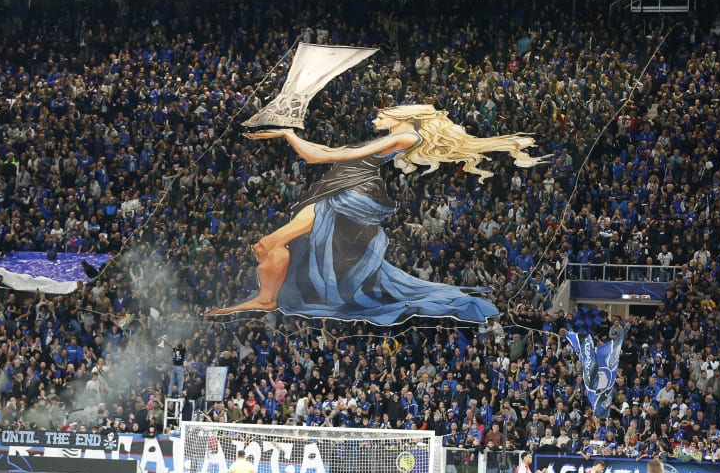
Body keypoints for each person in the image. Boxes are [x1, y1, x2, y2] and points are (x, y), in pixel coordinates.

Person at [207, 104, 547, 323]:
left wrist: (288, 134)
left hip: (351, 195)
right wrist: (289, 135)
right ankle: (267, 297)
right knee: (266, 245)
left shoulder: (407, 136)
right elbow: (329, 151)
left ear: (402, 116)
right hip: (343, 187)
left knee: (269, 244)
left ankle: (267, 299)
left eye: (384, 113)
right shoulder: (397, 134)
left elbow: (321, 157)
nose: (377, 117)